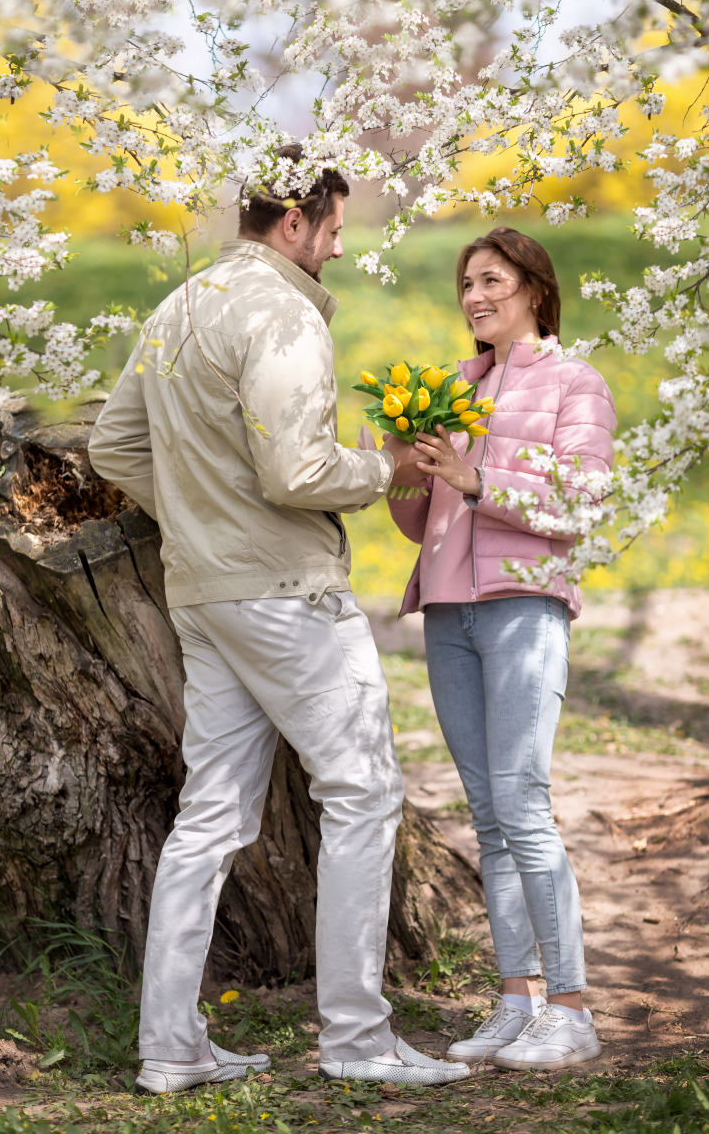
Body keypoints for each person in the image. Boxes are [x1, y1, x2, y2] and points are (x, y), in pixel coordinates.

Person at [88, 145, 468, 1093]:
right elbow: (296, 473)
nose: (340, 248)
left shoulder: (181, 307)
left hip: (204, 591)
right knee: (364, 793)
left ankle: (170, 1048)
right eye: (335, 228)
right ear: (293, 222)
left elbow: (113, 444)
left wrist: (197, 514)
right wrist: (391, 469)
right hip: (288, 596)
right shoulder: (282, 315)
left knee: (210, 816)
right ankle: (357, 1038)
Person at [387, 226, 616, 1071]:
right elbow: (421, 519)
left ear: (535, 289)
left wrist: (477, 476)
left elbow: (583, 499)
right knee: (488, 817)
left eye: (493, 280)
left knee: (523, 804)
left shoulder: (575, 383)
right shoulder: (451, 386)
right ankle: (517, 1001)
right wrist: (407, 468)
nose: (476, 296)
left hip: (525, 606)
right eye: (467, 284)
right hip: (449, 612)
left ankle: (572, 1007)